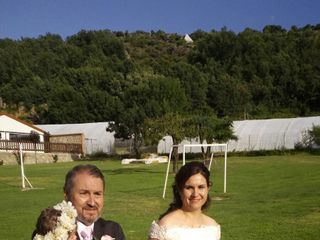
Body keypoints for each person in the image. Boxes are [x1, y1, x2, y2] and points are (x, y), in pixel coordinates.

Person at [148, 161, 221, 240]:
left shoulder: (213, 227)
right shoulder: (166, 226)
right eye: (189, 187)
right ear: (179, 190)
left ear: (208, 189)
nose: (195, 194)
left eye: (201, 187)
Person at [64, 164, 125, 240]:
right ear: (67, 195)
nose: (92, 203)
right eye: (84, 193)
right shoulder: (54, 231)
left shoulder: (113, 230)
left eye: (97, 194)